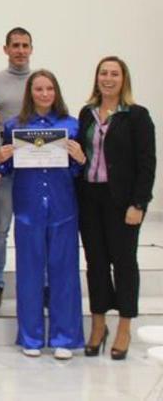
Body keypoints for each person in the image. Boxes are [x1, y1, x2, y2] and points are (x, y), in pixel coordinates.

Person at [0, 69, 85, 358]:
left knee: (65, 273)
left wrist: (81, 160)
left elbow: (77, 171)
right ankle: (31, 337)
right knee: (29, 273)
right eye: (38, 89)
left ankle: (64, 338)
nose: (44, 94)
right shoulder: (13, 126)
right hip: (28, 208)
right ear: (29, 93)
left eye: (49, 89)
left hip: (63, 208)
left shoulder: (72, 125)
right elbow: (6, 169)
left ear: (56, 92)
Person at [78, 57, 154, 360]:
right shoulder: (87, 114)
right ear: (96, 78)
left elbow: (147, 164)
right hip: (89, 198)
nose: (108, 79)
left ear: (124, 79)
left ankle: (124, 326)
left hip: (121, 201)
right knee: (95, 262)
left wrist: (139, 203)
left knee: (124, 263)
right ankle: (98, 325)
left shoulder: (136, 116)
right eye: (103, 73)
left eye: (114, 74)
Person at [0, 27, 34, 309]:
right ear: (6, 49)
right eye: (15, 45)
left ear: (31, 49)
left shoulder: (41, 82)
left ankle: (37, 281)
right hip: (5, 167)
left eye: (25, 45)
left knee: (36, 227)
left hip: (36, 169)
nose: (20, 50)